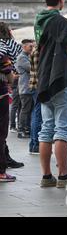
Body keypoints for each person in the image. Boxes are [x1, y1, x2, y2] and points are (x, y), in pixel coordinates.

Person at [35, 0, 67, 188]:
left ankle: (46, 176)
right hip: (63, 80)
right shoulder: (62, 22)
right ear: (61, 0)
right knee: (62, 129)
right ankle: (63, 176)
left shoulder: (38, 22)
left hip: (44, 81)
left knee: (46, 129)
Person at [0, 22, 25, 169]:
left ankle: (5, 158)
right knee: (2, 130)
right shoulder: (4, 47)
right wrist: (10, 74)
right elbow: (6, 66)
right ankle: (2, 168)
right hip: (1, 92)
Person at [0, 53, 16, 182]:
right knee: (1, 135)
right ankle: (1, 172)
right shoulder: (1, 55)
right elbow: (10, 78)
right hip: (0, 98)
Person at [16, 39, 34, 140]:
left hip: (27, 88)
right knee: (25, 110)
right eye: (30, 46)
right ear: (24, 47)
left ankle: (26, 129)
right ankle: (21, 130)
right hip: (25, 88)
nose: (32, 48)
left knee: (28, 109)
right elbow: (31, 68)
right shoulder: (22, 57)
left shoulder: (26, 56)